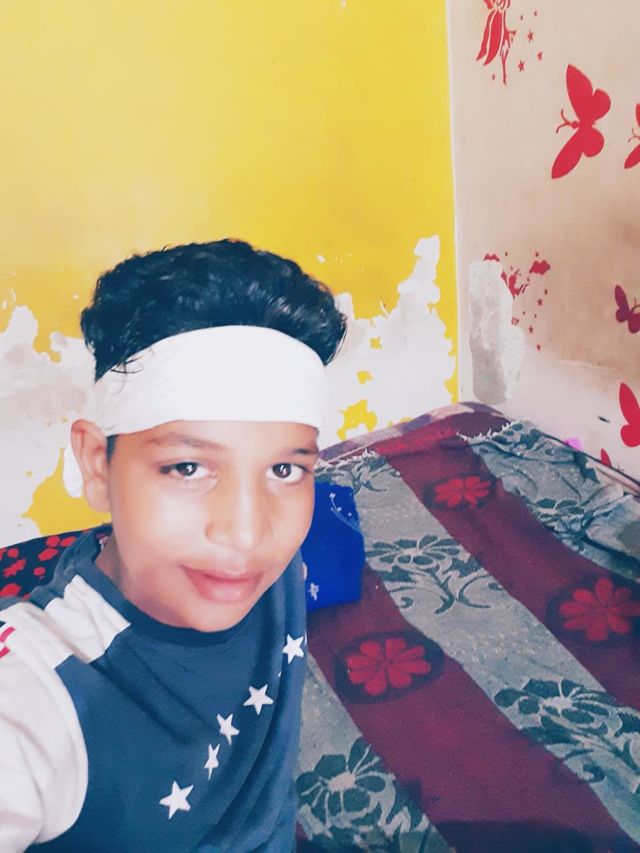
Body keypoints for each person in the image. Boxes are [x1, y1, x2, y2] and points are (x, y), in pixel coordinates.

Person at [0, 240, 347, 852]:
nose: (247, 534)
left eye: (284, 470)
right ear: (97, 464)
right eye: (188, 468)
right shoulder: (38, 695)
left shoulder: (284, 558)